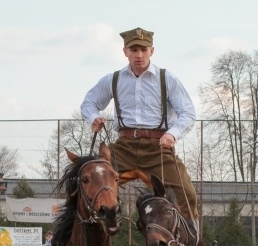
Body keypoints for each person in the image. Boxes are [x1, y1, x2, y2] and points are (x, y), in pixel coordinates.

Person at [81, 27, 199, 223]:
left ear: (152, 51)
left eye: (144, 50)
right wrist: (93, 117)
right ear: (125, 51)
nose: (139, 55)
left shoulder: (166, 79)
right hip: (123, 147)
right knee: (87, 181)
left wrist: (172, 134)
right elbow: (89, 102)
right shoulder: (113, 80)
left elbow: (188, 112)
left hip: (157, 148)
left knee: (187, 195)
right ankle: (75, 241)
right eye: (134, 50)